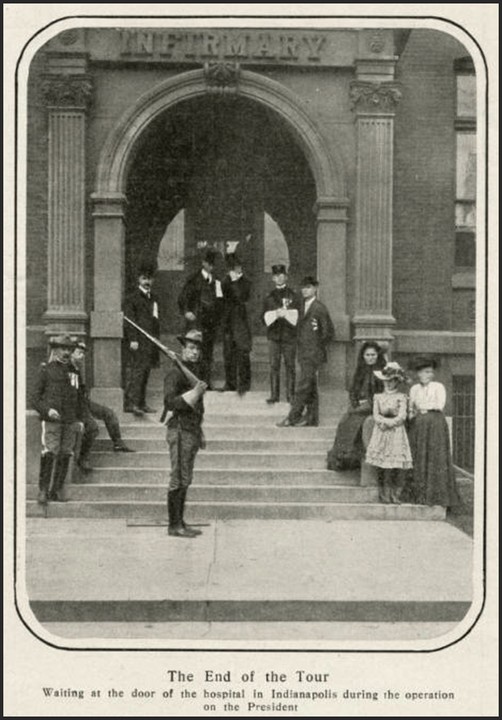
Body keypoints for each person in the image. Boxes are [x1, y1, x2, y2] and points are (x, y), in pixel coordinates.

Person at [162, 329, 208, 538]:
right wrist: (195, 392)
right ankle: (174, 525)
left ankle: (180, 521)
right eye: (190, 347)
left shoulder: (193, 373)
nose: (194, 352)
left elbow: (198, 408)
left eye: (197, 348)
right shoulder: (176, 373)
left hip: (191, 430)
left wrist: (200, 431)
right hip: (179, 429)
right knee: (178, 477)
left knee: (186, 477)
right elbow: (169, 402)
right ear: (183, 349)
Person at [31, 334, 85, 504]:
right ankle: (43, 491)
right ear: (55, 350)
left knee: (65, 453)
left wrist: (80, 419)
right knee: (49, 452)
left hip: (70, 421)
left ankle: (56, 490)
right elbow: (34, 398)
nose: (66, 352)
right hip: (52, 420)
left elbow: (79, 398)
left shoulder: (75, 372)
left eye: (69, 349)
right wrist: (47, 411)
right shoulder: (46, 369)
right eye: (62, 349)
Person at [277, 276, 334, 427]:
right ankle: (312, 418)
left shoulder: (319, 308)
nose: (305, 290)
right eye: (303, 287)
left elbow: (328, 333)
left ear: (315, 289)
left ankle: (293, 416)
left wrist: (316, 344)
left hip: (313, 353)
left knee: (303, 385)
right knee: (310, 385)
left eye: (308, 287)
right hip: (302, 352)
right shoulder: (300, 306)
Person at [70, 340, 134, 473]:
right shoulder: (68, 369)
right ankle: (83, 458)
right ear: (71, 353)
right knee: (92, 428)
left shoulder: (76, 367)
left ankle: (118, 443)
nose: (82, 356)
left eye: (83, 353)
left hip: (83, 402)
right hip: (75, 406)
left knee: (108, 413)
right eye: (79, 353)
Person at [408, 355, 462, 509]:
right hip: (419, 424)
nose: (429, 375)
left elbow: (439, 404)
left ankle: (437, 495)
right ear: (418, 373)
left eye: (431, 372)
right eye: (425, 372)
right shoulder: (414, 388)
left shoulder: (438, 387)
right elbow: (412, 407)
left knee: (435, 456)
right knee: (419, 455)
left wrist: (423, 407)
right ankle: (420, 494)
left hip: (435, 422)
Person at [326, 341, 386, 470]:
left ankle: (351, 457)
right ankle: (342, 458)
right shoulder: (360, 371)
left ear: (378, 356)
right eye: (367, 355)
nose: (370, 358)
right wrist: (355, 402)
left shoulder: (382, 372)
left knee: (357, 422)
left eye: (373, 355)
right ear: (363, 356)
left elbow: (381, 394)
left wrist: (367, 404)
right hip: (359, 406)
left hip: (374, 407)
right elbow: (353, 391)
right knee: (344, 421)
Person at [365, 362, 413, 504]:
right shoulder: (378, 397)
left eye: (392, 381)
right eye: (386, 381)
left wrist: (391, 423)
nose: (389, 384)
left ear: (397, 382)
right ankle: (384, 494)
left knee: (396, 465)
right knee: (384, 465)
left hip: (396, 432)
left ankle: (395, 494)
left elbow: (402, 416)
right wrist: (382, 423)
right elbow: (375, 414)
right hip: (381, 432)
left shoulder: (401, 397)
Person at [178, 248, 223, 387]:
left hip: (210, 324)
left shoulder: (216, 281)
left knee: (207, 354)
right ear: (204, 263)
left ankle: (206, 383)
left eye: (214, 265)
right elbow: (182, 298)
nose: (212, 267)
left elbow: (219, 301)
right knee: (193, 352)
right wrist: (186, 312)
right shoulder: (193, 279)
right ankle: (191, 383)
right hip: (196, 322)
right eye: (210, 264)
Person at [124, 266, 160, 416]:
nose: (147, 282)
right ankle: (131, 403)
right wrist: (133, 339)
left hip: (150, 341)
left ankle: (141, 403)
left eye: (149, 279)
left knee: (145, 372)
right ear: (139, 279)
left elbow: (155, 319)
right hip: (138, 341)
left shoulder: (154, 298)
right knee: (137, 372)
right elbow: (129, 320)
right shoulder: (132, 298)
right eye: (144, 278)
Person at [262, 264, 300, 404]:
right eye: (276, 276)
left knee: (290, 365)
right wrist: (274, 315)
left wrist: (287, 315)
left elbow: (298, 315)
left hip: (289, 335)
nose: (279, 278)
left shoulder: (293, 295)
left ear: (286, 277)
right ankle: (274, 395)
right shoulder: (269, 297)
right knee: (274, 365)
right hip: (274, 336)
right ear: (273, 278)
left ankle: (290, 395)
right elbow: (263, 317)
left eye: (281, 275)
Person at [221, 254, 252, 395]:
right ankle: (230, 383)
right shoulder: (224, 282)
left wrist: (234, 282)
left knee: (242, 353)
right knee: (228, 354)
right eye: (233, 267)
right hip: (227, 322)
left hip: (241, 322)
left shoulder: (246, 282)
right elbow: (221, 300)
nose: (236, 269)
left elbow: (240, 297)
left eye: (238, 266)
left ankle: (244, 384)